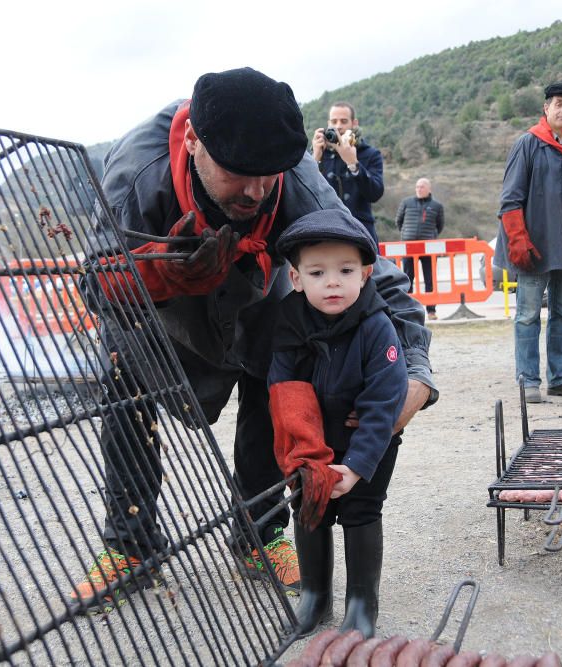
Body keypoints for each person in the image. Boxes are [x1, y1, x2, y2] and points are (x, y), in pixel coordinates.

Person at [74, 67, 437, 613]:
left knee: (278, 390)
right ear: (194, 141)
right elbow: (95, 282)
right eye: (239, 174)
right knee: (127, 390)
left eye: (268, 175)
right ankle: (132, 546)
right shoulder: (138, 171)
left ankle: (259, 534)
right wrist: (165, 273)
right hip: (156, 318)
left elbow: (371, 269)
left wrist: (415, 369)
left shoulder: (294, 176)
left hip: (256, 303)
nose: (256, 190)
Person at [270, 208, 407, 639]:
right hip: (313, 439)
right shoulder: (290, 322)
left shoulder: (376, 326)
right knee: (310, 506)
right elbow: (284, 387)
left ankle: (362, 604)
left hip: (367, 437)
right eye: (317, 272)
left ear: (366, 274)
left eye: (345, 270)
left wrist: (358, 463)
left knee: (362, 508)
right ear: (296, 279)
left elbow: (385, 399)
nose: (332, 281)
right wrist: (303, 454)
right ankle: (314, 597)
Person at [493, 82, 562, 404]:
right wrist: (518, 241)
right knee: (527, 315)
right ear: (546, 108)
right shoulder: (527, 145)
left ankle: (561, 378)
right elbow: (510, 200)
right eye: (559, 104)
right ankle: (528, 380)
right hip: (534, 247)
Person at [311, 103, 385, 246]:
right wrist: (315, 159)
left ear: (354, 123)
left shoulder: (370, 154)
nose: (338, 126)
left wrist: (353, 163)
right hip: (325, 233)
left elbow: (375, 193)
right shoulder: (319, 153)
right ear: (328, 123)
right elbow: (304, 194)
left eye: (344, 121)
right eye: (334, 121)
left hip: (361, 233)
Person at [395, 178, 445, 320]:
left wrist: (431, 236)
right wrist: (406, 235)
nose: (419, 189)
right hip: (409, 247)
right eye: (417, 186)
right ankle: (408, 310)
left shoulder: (437, 206)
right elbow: (398, 221)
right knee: (408, 278)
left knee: (430, 278)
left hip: (428, 247)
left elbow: (440, 225)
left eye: (422, 186)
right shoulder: (406, 203)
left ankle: (431, 311)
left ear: (429, 189)